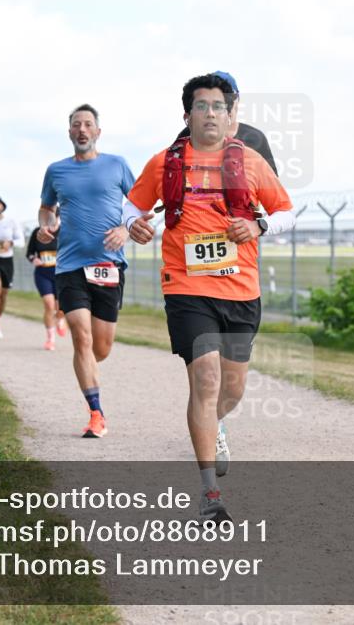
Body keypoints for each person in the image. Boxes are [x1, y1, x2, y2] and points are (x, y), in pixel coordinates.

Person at [124, 74, 295, 522]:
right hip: (186, 286)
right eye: (202, 106)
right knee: (205, 378)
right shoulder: (165, 162)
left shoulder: (252, 161)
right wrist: (133, 225)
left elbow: (287, 212)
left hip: (240, 289)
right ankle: (210, 493)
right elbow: (132, 207)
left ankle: (215, 424)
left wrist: (258, 226)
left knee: (232, 387)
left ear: (230, 114)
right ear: (187, 115)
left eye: (219, 106)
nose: (211, 114)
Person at [37, 103, 136, 438]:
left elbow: (138, 206)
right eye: (76, 124)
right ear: (69, 133)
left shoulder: (117, 165)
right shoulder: (56, 171)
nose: (82, 129)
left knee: (100, 348)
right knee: (81, 337)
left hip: (109, 266)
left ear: (97, 131)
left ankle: (89, 367)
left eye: (88, 124)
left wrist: (125, 229)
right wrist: (46, 227)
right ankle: (96, 413)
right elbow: (46, 209)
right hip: (70, 266)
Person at [176, 71, 278, 175]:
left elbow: (272, 185)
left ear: (238, 100)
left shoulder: (255, 138)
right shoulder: (188, 134)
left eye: (230, 100)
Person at [0, 195, 25, 339]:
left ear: (3, 206)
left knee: (3, 293)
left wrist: (11, 243)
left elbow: (21, 240)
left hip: (7, 261)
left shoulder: (11, 222)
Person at [26, 221, 68, 350]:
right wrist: (34, 259)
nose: (51, 219)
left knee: (61, 308)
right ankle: (50, 339)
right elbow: (30, 253)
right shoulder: (38, 232)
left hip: (61, 274)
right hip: (43, 274)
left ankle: (60, 319)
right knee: (49, 305)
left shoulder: (66, 231)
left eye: (54, 216)